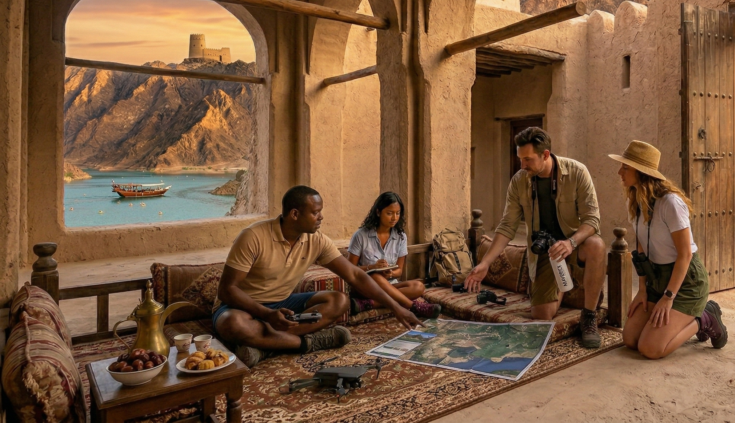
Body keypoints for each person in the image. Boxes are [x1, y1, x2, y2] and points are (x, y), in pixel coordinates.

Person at [214, 185, 421, 367]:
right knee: (232, 324)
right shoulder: (253, 237)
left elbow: (356, 276)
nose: (321, 217)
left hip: (282, 303)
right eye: (316, 212)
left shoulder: (317, 240)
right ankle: (307, 343)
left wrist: (397, 308)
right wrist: (266, 314)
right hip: (241, 307)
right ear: (295, 214)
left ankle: (266, 345)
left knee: (340, 300)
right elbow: (227, 290)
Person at [465, 127, 607, 348]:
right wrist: (485, 263)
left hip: (574, 245)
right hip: (546, 252)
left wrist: (570, 243)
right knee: (542, 315)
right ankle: (564, 286)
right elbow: (507, 226)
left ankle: (589, 316)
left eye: (528, 160)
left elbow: (592, 220)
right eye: (520, 159)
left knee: (597, 244)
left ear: (546, 155)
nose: (522, 165)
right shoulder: (519, 180)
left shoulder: (578, 172)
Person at [610, 140, 728, 359]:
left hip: (684, 283)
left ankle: (705, 317)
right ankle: (674, 314)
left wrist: (668, 297)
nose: (620, 172)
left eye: (625, 167)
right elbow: (641, 247)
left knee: (651, 349)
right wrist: (643, 289)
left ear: (641, 172)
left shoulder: (670, 203)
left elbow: (685, 254)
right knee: (631, 339)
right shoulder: (635, 200)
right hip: (656, 277)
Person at [347, 192, 441, 319]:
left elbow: (399, 271)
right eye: (389, 213)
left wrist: (390, 274)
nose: (394, 218)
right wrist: (372, 267)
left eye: (397, 213)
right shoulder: (361, 236)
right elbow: (349, 270)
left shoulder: (401, 237)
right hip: (365, 286)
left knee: (418, 287)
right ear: (378, 212)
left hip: (390, 284)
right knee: (375, 276)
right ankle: (413, 306)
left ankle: (370, 304)